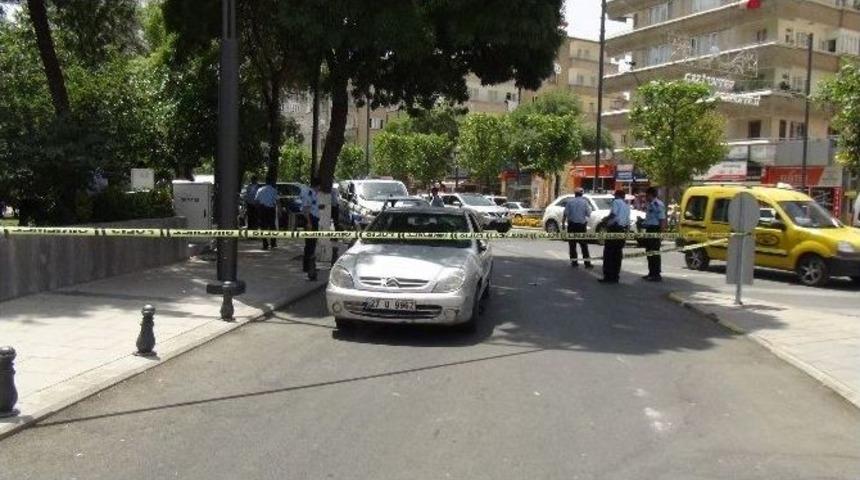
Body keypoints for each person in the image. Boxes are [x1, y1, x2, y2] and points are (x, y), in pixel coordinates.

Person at [599, 189, 631, 284]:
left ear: (617, 196)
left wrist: (605, 220)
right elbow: (628, 222)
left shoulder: (616, 202)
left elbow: (613, 214)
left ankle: (608, 276)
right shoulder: (627, 206)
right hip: (622, 230)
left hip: (614, 229)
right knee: (617, 254)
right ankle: (615, 276)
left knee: (609, 253)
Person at [563, 188, 593, 269]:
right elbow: (589, 214)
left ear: (575, 194)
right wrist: (585, 221)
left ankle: (574, 262)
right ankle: (587, 263)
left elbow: (565, 214)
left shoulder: (570, 202)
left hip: (572, 226)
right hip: (581, 226)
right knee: (584, 245)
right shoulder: (585, 202)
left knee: (572, 245)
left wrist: (563, 224)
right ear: (582, 194)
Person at [642, 187, 667, 282]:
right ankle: (651, 273)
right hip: (649, 229)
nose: (645, 197)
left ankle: (656, 274)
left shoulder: (658, 204)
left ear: (650, 194)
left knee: (654, 253)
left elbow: (662, 220)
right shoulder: (650, 204)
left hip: (655, 230)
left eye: (646, 195)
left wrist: (662, 233)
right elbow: (650, 219)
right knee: (649, 252)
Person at [302, 179, 321, 281]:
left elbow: (313, 206)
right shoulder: (309, 193)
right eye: (319, 187)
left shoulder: (314, 193)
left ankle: (310, 266)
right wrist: (309, 223)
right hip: (310, 221)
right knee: (309, 245)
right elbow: (306, 209)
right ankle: (307, 268)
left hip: (314, 220)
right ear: (317, 186)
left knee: (312, 244)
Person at [254, 181, 278, 250]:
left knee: (263, 227)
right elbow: (277, 200)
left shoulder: (260, 189)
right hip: (271, 209)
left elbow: (256, 201)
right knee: (272, 226)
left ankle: (265, 244)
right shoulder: (273, 190)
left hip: (262, 209)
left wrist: (258, 210)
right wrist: (279, 211)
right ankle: (273, 243)